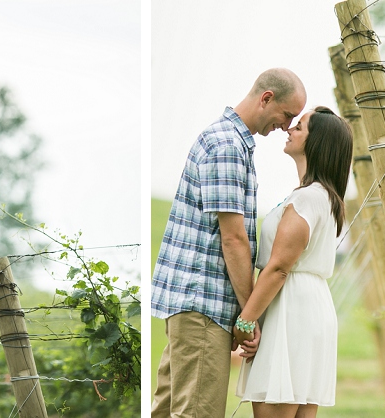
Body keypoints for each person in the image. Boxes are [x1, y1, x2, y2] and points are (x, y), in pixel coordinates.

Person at [151, 68, 307, 418]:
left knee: (167, 410)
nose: (286, 125)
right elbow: (234, 239)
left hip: (191, 304)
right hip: (203, 305)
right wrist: (248, 317)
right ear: (266, 98)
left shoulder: (227, 141)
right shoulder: (227, 146)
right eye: (287, 115)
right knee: (196, 413)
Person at [233, 106, 353, 418]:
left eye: (299, 127)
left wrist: (245, 322)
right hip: (311, 308)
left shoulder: (308, 198)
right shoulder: (322, 196)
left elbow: (278, 267)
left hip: (292, 312)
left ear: (316, 143)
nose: (290, 129)